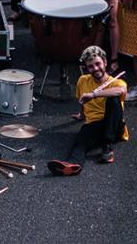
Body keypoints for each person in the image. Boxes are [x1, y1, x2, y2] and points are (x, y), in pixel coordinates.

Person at [47, 46, 128, 176]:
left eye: (98, 64)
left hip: (114, 127)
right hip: (95, 124)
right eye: (90, 66)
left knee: (113, 100)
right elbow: (83, 103)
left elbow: (121, 91)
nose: (95, 68)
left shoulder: (117, 82)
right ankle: (73, 165)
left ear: (105, 63)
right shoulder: (82, 81)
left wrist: (95, 94)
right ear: (86, 67)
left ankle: (107, 147)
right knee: (81, 139)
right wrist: (82, 115)